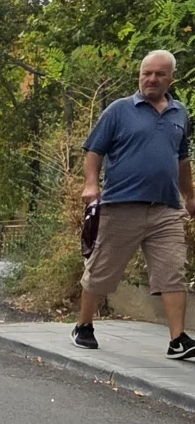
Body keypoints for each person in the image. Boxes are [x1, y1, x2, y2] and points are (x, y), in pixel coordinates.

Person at [72, 49, 194, 358]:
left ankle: (177, 339)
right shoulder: (118, 110)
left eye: (159, 74)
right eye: (146, 73)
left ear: (171, 78)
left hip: (166, 209)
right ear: (139, 76)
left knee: (172, 273)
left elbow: (182, 160)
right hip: (121, 205)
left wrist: (189, 196)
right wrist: (90, 184)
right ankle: (84, 326)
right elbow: (94, 151)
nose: (151, 79)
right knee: (101, 270)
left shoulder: (180, 114)